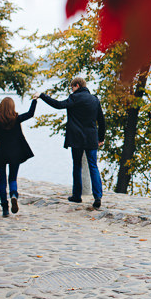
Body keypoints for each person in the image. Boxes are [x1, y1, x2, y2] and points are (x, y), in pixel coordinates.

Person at [34, 76, 106, 209]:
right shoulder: (94, 100)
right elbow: (101, 121)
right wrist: (101, 138)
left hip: (77, 138)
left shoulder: (74, 98)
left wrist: (42, 96)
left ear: (77, 86)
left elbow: (58, 105)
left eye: (72, 87)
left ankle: (77, 196)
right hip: (91, 138)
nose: (71, 90)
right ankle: (97, 196)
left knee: (77, 166)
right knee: (93, 166)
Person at [0, 97, 37, 218]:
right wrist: (34, 100)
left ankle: (5, 208)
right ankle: (14, 195)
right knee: (13, 178)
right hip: (15, 153)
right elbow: (30, 114)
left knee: (2, 181)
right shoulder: (16, 119)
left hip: (1, 154)